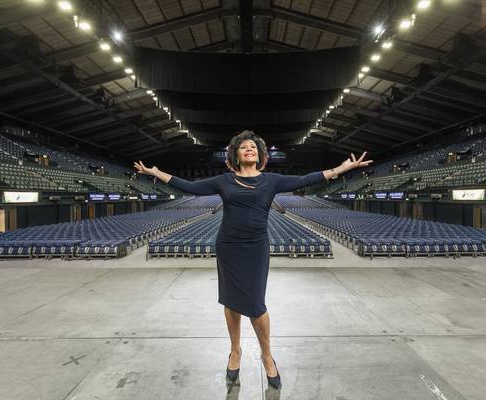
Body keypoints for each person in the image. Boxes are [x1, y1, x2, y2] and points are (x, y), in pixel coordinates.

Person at [134, 130, 373, 390]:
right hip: (228, 246)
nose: (249, 148)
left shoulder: (271, 181)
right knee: (231, 301)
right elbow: (190, 187)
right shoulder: (224, 180)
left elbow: (306, 178)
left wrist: (341, 168)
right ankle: (235, 351)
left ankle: (266, 354)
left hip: (256, 247)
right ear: (235, 155)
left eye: (253, 147)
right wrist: (156, 173)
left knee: (257, 305)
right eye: (243, 147)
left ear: (259, 155)